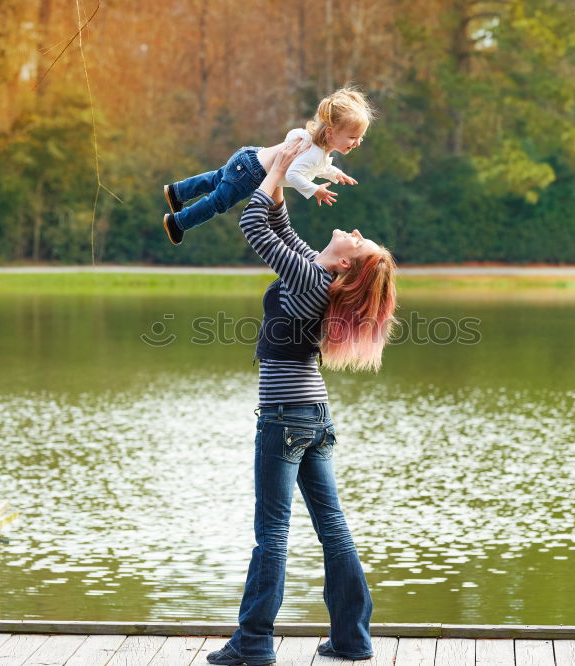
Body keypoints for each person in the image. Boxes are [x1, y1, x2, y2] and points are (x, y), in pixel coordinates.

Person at [205, 140, 397, 666]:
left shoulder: (313, 281)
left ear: (348, 268)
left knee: (271, 532)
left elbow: (253, 226)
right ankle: (353, 639)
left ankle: (253, 643)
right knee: (331, 525)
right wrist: (285, 179)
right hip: (312, 416)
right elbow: (280, 231)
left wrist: (282, 168)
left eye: (359, 242)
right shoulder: (315, 271)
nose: (353, 233)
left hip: (286, 417)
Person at [161, 87, 374, 246]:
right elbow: (293, 175)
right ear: (330, 132)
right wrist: (314, 190)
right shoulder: (316, 152)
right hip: (252, 174)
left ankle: (177, 191)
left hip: (250, 157)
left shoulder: (315, 144)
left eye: (360, 138)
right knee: (218, 202)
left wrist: (336, 174)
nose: (357, 142)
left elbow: (316, 165)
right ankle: (178, 222)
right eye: (353, 137)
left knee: (218, 179)